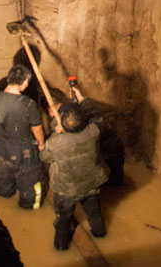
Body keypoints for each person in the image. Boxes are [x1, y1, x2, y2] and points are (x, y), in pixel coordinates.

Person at [41, 102, 109, 251]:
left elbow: (44, 157)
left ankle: (60, 246)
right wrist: (82, 99)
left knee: (63, 219)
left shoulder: (55, 142)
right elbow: (97, 117)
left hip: (66, 190)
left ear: (63, 125)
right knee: (94, 212)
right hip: (92, 184)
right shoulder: (94, 131)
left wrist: (57, 133)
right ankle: (100, 234)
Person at [0, 65, 46, 209]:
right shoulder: (28, 104)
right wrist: (41, 145)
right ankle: (29, 208)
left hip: (0, 149)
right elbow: (37, 129)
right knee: (32, 191)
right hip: (24, 151)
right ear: (25, 82)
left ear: (8, 79)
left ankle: (5, 199)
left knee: (3, 185)